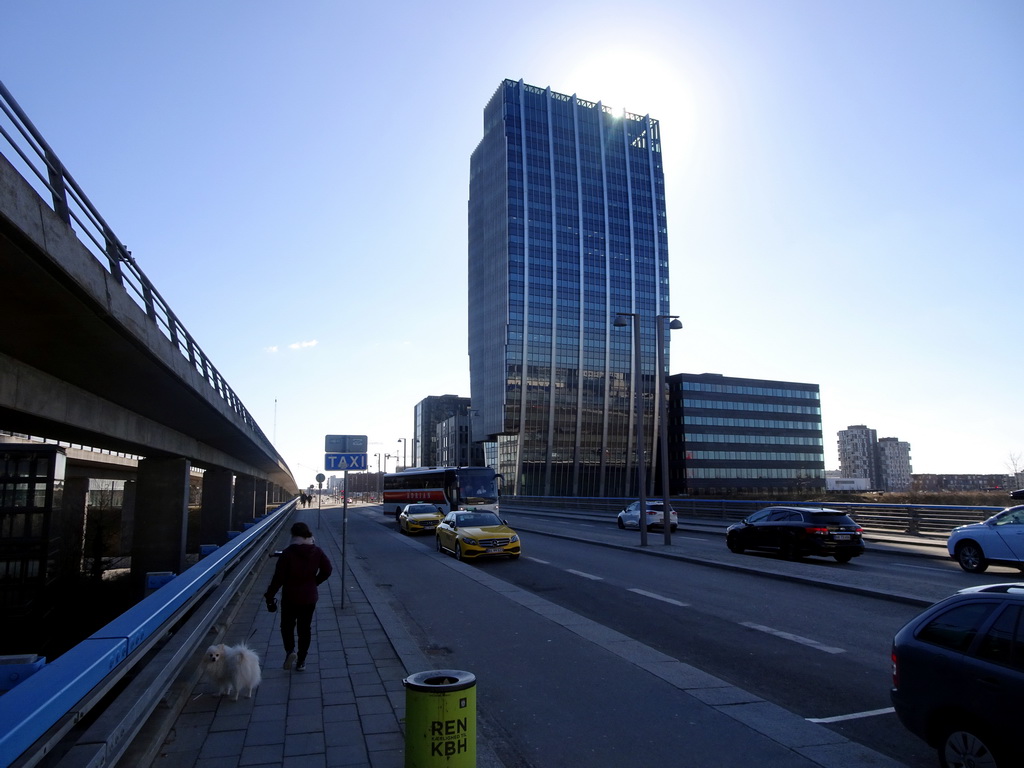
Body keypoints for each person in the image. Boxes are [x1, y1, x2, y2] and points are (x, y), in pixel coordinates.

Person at [264, 521, 333, 671]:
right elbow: (327, 570)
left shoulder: (288, 553)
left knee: (286, 626)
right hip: (309, 598)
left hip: (290, 597)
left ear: (293, 535)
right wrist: (314, 582)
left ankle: (290, 651)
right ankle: (301, 661)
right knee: (305, 629)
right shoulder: (317, 551)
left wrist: (269, 595)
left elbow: (278, 578)